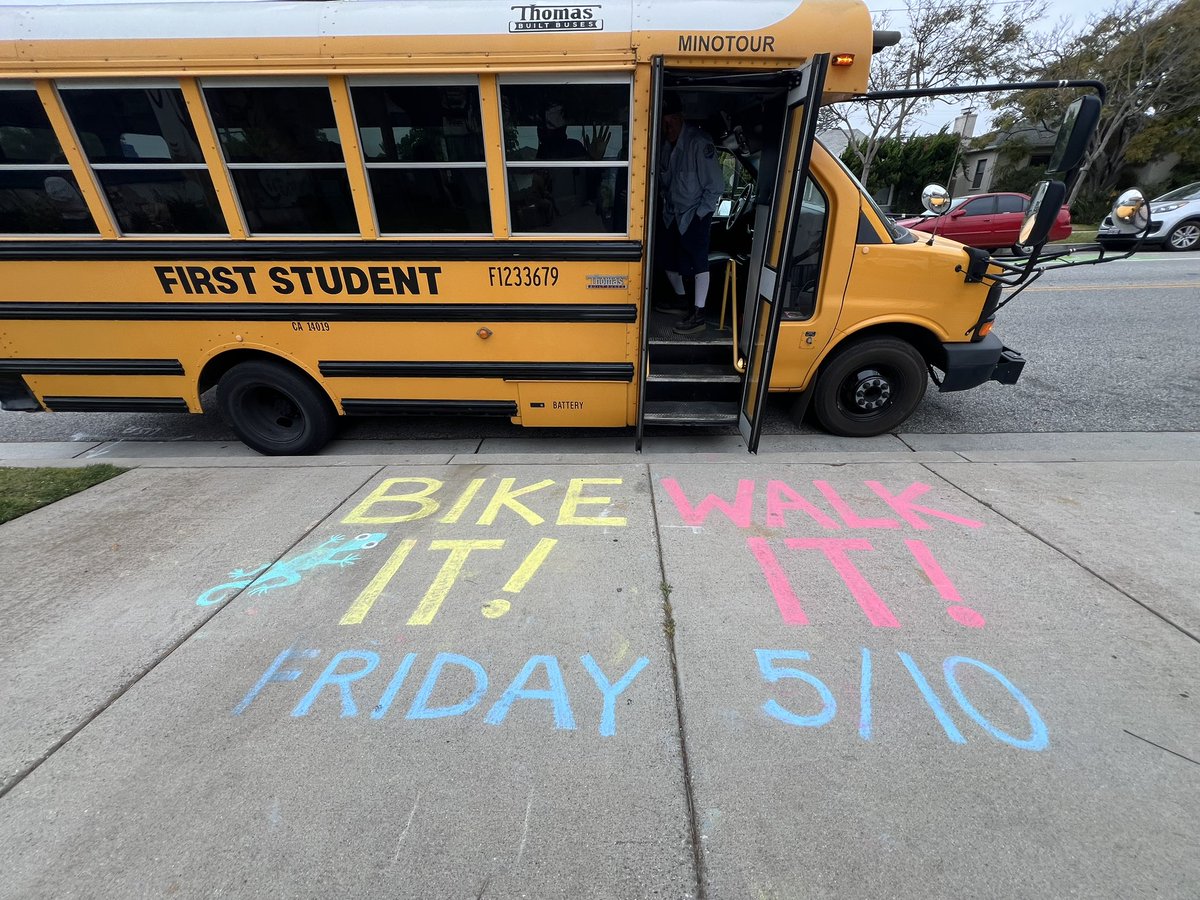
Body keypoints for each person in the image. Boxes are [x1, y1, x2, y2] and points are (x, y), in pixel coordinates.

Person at [658, 93, 725, 334]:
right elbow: (666, 182)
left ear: (679, 118)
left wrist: (700, 216)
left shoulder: (699, 143)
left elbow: (716, 186)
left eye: (670, 123)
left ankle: (699, 313)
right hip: (673, 214)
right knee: (668, 259)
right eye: (663, 124)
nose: (667, 129)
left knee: (698, 262)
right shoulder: (667, 146)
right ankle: (681, 300)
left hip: (695, 214)